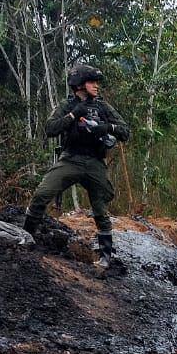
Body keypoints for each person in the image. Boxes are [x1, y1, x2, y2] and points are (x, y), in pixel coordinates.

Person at [26, 63, 131, 270]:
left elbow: (125, 131)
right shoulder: (67, 106)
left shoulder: (102, 107)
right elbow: (50, 128)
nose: (96, 86)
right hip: (71, 159)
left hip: (94, 162)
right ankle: (26, 239)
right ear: (80, 85)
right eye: (92, 82)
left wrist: (107, 127)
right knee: (41, 195)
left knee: (101, 207)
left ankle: (105, 257)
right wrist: (74, 114)